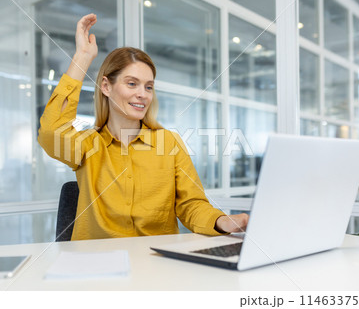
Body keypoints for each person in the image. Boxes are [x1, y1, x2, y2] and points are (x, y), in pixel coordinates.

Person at [38, 14, 249, 240]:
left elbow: (191, 205)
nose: (142, 94)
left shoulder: (169, 143)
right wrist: (83, 57)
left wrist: (221, 221)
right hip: (99, 264)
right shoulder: (86, 144)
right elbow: (51, 131)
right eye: (132, 84)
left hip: (156, 263)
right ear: (106, 87)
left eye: (148, 87)